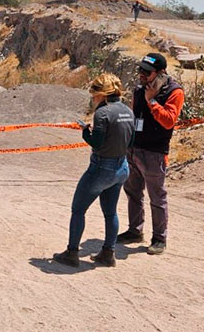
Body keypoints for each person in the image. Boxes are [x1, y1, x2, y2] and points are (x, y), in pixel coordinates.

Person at [53, 73, 135, 268]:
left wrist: (85, 132)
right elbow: (132, 141)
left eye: (94, 94)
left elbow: (96, 142)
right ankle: (108, 253)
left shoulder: (102, 113)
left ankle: (72, 253)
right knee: (110, 212)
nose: (93, 98)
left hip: (101, 167)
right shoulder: (128, 111)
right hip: (122, 166)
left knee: (78, 209)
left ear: (101, 94)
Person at [117, 53, 184, 255]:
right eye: (140, 70)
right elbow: (132, 116)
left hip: (154, 152)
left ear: (161, 73)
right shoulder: (139, 89)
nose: (141, 74)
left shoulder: (174, 91)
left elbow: (169, 121)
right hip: (134, 148)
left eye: (147, 72)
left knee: (157, 197)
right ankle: (135, 230)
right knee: (133, 192)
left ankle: (159, 239)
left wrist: (151, 101)